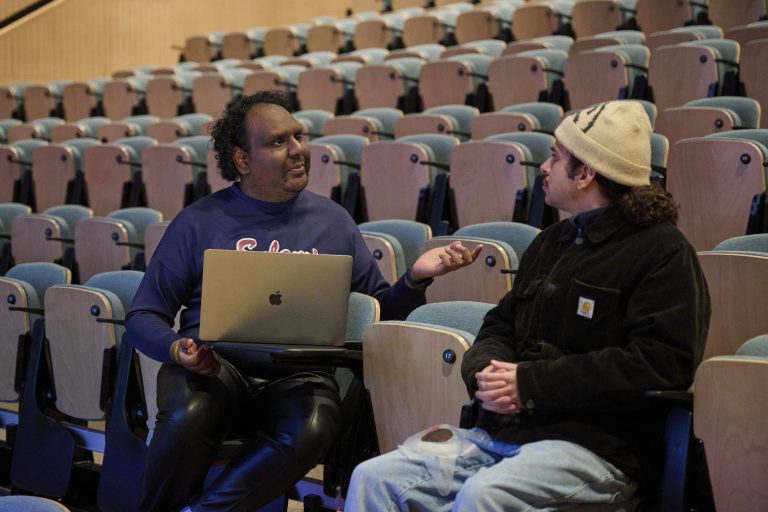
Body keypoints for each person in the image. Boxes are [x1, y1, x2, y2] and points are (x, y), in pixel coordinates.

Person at [344, 100, 711, 511]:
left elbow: (662, 363)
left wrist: (530, 383)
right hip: (506, 435)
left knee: (484, 495)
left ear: (585, 173)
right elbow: (499, 325)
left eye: (556, 157)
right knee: (374, 478)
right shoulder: (550, 242)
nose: (544, 167)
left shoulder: (663, 252)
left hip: (598, 449)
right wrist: (484, 373)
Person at [125, 91, 483, 512]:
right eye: (279, 142)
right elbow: (143, 314)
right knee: (188, 413)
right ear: (242, 159)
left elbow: (381, 315)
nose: (298, 149)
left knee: (316, 422)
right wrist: (177, 350)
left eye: (298, 136)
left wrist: (415, 278)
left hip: (298, 376)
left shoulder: (333, 221)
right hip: (214, 369)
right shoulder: (198, 222)